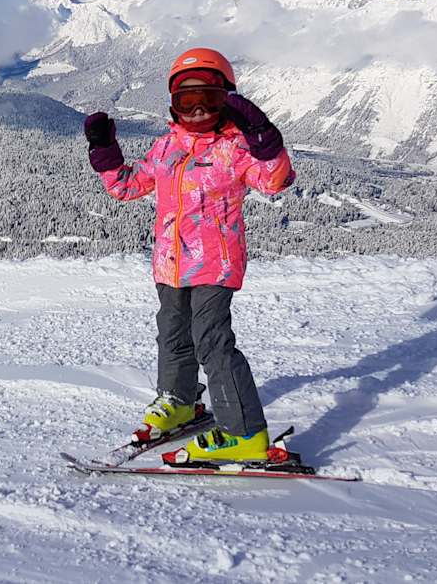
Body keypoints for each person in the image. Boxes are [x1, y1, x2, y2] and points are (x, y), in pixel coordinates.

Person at [83, 47, 295, 464]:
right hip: (169, 263)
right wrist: (105, 150)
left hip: (216, 264)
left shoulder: (235, 149)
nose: (197, 110)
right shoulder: (167, 148)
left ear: (226, 100)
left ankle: (244, 432)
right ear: (173, 105)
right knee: (173, 333)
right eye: (186, 100)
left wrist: (264, 136)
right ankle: (180, 401)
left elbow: (275, 181)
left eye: (208, 100)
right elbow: (126, 186)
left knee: (211, 340)